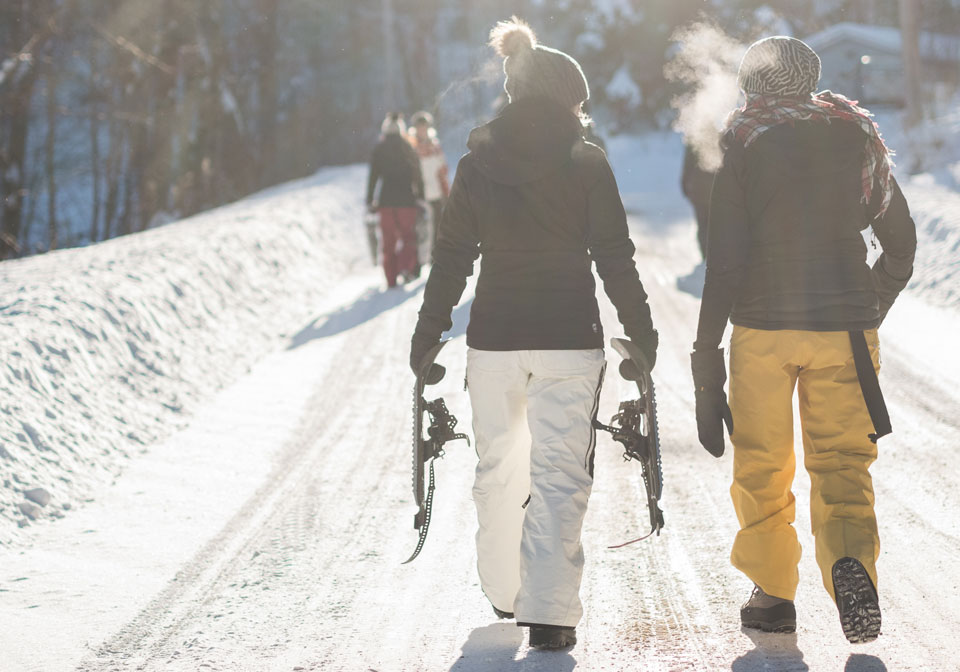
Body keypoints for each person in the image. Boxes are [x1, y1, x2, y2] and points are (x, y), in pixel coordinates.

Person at [409, 17, 658, 650]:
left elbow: (452, 256)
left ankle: (504, 591)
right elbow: (615, 255)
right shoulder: (587, 162)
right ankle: (548, 614)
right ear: (568, 99)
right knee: (558, 473)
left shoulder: (476, 163)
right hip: (570, 339)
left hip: (493, 339)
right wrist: (642, 332)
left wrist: (428, 333)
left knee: (498, 469)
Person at [692, 36, 916, 644]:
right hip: (845, 328)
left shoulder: (743, 138)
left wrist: (704, 355)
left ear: (752, 82)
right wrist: (873, 305)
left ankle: (772, 595)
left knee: (763, 462)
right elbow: (902, 244)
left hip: (763, 329)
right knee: (844, 461)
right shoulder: (857, 135)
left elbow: (727, 262)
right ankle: (850, 561)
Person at [366, 112, 424, 288]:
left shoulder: (379, 149)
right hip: (407, 201)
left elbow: (373, 177)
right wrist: (420, 196)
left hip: (386, 202)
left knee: (388, 241)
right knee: (408, 237)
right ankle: (405, 267)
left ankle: (390, 278)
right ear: (401, 129)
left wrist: (370, 200)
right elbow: (418, 175)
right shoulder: (408, 147)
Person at [408, 111, 450, 262]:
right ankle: (418, 262)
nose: (422, 130)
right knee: (420, 230)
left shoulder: (435, 145)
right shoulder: (411, 147)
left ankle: (434, 258)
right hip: (419, 195)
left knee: (437, 229)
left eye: (424, 127)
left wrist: (446, 191)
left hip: (436, 193)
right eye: (419, 127)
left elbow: (443, 169)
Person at [680, 140, 717, 260]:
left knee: (702, 224)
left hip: (698, 189)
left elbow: (688, 164)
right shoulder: (718, 135)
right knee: (715, 224)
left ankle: (705, 254)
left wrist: (685, 185)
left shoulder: (694, 137)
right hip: (715, 189)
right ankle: (713, 254)